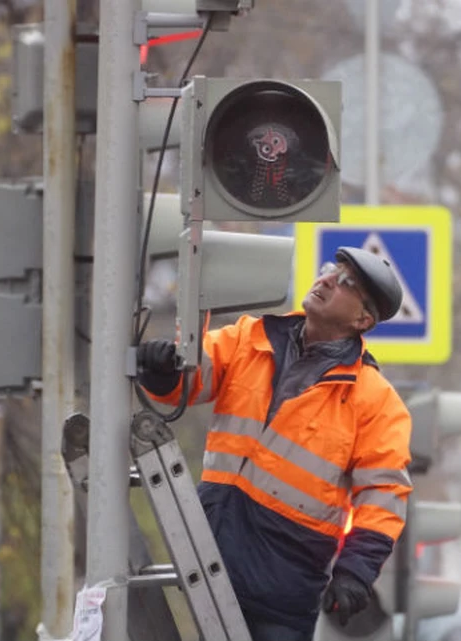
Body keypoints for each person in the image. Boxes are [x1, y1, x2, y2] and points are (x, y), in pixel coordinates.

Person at [137, 246, 414, 641]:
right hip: (210, 551)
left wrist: (355, 572)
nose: (328, 279)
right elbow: (190, 380)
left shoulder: (376, 401)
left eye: (347, 282)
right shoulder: (252, 338)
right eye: (331, 269)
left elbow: (383, 495)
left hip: (283, 583)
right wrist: (163, 370)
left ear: (362, 318)